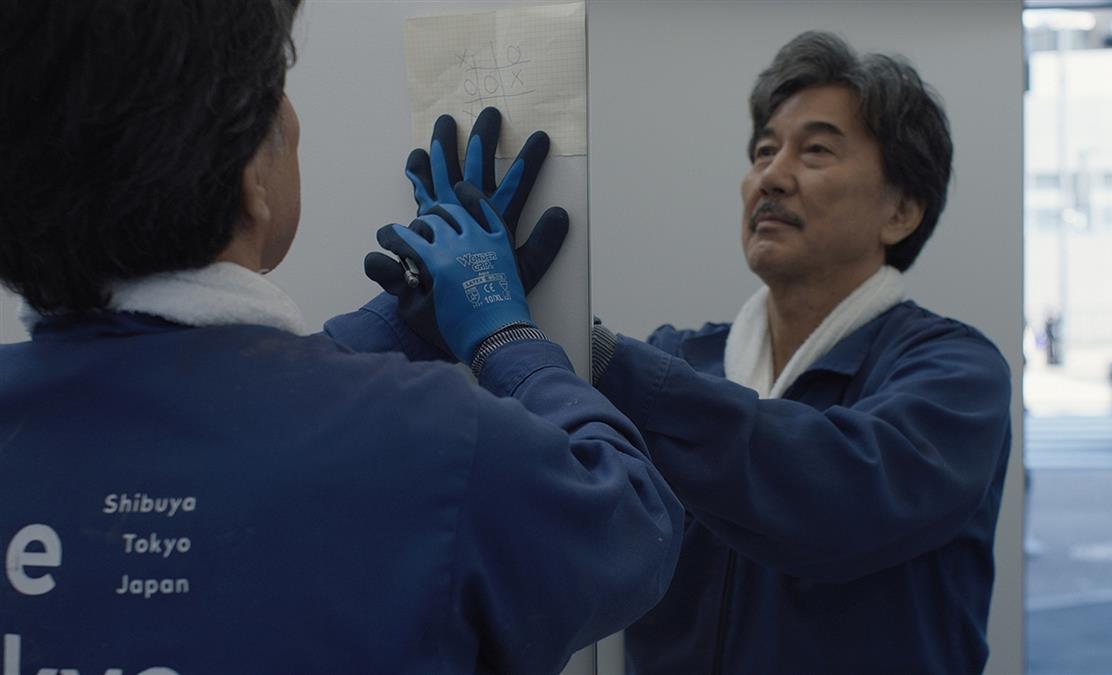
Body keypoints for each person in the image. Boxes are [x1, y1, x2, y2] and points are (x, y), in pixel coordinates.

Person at [0, 2, 682, 673]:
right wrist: (506, 337)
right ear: (250, 178)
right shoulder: (436, 442)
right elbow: (632, 522)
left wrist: (390, 330)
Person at [582, 32, 1012, 674]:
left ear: (900, 211)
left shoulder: (956, 377)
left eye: (816, 151)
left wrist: (601, 361)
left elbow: (837, 497)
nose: (771, 177)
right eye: (763, 151)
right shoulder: (680, 360)